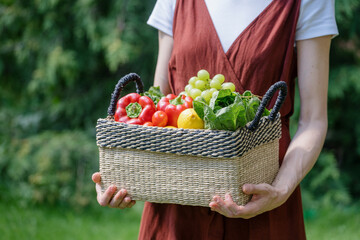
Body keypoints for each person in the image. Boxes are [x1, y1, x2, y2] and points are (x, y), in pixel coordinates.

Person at [92, 0, 339, 239]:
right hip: (177, 196)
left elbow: (313, 121)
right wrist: (126, 179)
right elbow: (160, 109)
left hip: (261, 192)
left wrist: (281, 189)